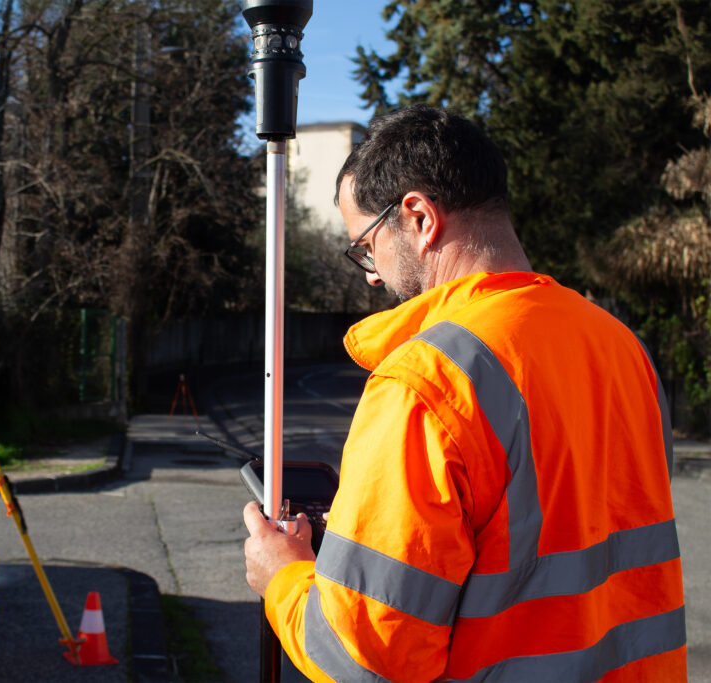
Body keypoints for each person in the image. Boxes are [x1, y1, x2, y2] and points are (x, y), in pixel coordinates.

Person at [242, 104, 687, 682]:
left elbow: (372, 658)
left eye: (366, 247)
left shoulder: (426, 382)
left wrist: (284, 578)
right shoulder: (622, 347)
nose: (371, 275)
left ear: (420, 218)